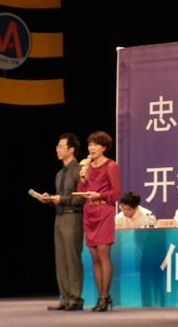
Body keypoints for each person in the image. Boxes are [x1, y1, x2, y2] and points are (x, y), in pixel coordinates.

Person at [76, 131, 121, 312]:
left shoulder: (111, 165)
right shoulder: (87, 167)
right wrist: (82, 178)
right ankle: (102, 297)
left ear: (104, 147)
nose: (91, 148)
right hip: (89, 212)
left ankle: (104, 296)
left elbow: (116, 192)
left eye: (95, 145)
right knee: (94, 258)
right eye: (90, 145)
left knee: (103, 255)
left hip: (104, 211)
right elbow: (81, 191)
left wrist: (99, 195)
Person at [40, 133, 85, 311]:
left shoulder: (80, 170)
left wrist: (61, 199)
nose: (57, 150)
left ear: (71, 149)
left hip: (73, 216)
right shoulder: (60, 173)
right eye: (57, 147)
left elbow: (80, 198)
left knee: (72, 258)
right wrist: (50, 199)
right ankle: (65, 297)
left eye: (61, 146)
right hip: (59, 217)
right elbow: (61, 198)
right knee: (61, 258)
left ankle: (75, 298)